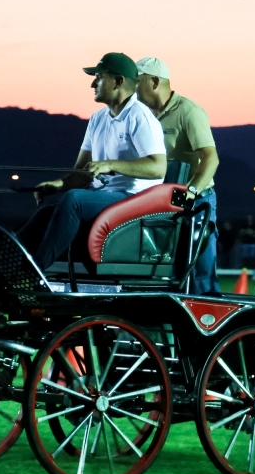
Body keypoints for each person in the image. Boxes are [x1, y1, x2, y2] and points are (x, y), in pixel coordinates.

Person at [18, 52, 166, 269]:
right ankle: (5, 264)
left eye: (99, 77)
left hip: (134, 199)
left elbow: (158, 167)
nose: (92, 84)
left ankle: (34, 271)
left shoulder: (140, 116)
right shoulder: (97, 119)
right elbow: (82, 173)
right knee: (45, 212)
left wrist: (110, 164)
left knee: (74, 200)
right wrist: (58, 184)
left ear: (118, 81)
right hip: (104, 197)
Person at [134, 57, 221, 295]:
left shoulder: (189, 111)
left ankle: (209, 315)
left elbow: (211, 158)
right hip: (162, 201)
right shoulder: (143, 114)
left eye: (137, 81)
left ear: (154, 82)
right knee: (168, 270)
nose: (132, 87)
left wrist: (191, 191)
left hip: (196, 200)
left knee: (200, 270)